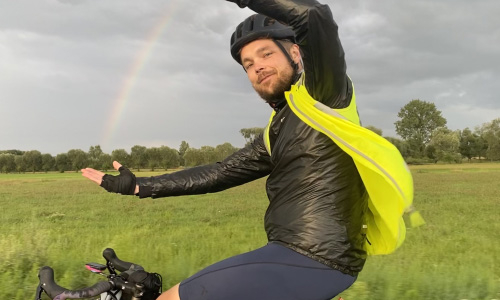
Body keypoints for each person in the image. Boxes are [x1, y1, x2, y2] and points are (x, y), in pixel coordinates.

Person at [82, 0, 369, 299]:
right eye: (248, 64)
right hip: (294, 253)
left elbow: (314, 15)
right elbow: (220, 172)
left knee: (175, 297)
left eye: (266, 53)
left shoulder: (324, 95)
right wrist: (139, 186)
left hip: (314, 255)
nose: (257, 65)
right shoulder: (278, 128)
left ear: (295, 53)